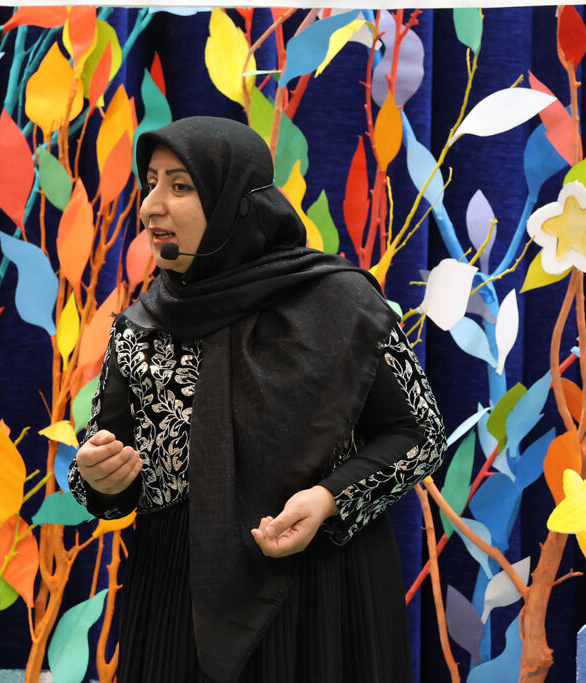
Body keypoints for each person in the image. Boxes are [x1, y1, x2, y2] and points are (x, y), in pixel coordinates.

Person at [68, 116, 446, 683]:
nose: (150, 206)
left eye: (180, 185)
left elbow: (420, 434)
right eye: (150, 184)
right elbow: (110, 470)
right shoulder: (141, 324)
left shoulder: (342, 303)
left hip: (320, 591)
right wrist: (98, 478)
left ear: (235, 203)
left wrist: (328, 498)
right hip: (179, 595)